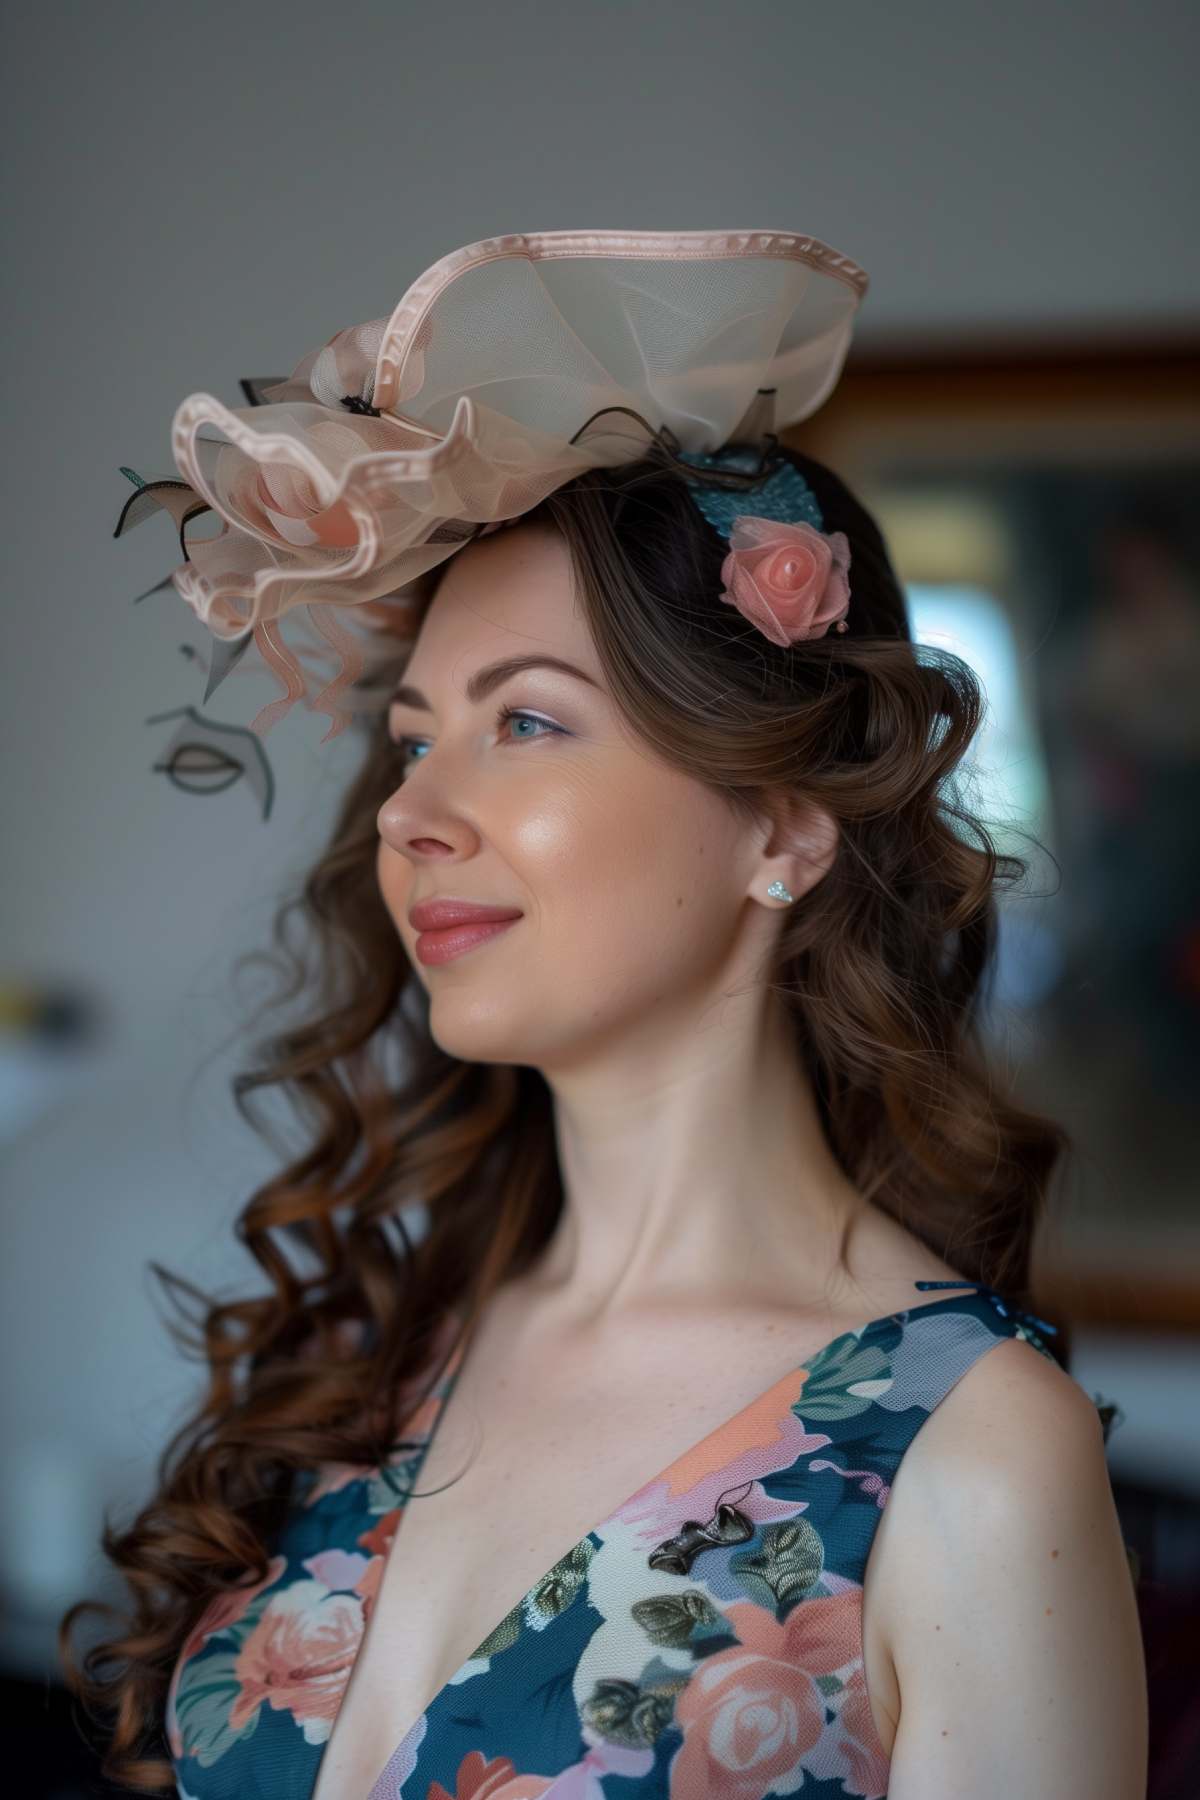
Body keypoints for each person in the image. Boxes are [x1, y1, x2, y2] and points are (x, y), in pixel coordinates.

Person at [60, 230, 1147, 1799]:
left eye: (526, 720)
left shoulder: (965, 1457)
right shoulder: (380, 1355)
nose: (413, 813)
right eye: (414, 737)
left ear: (781, 827)